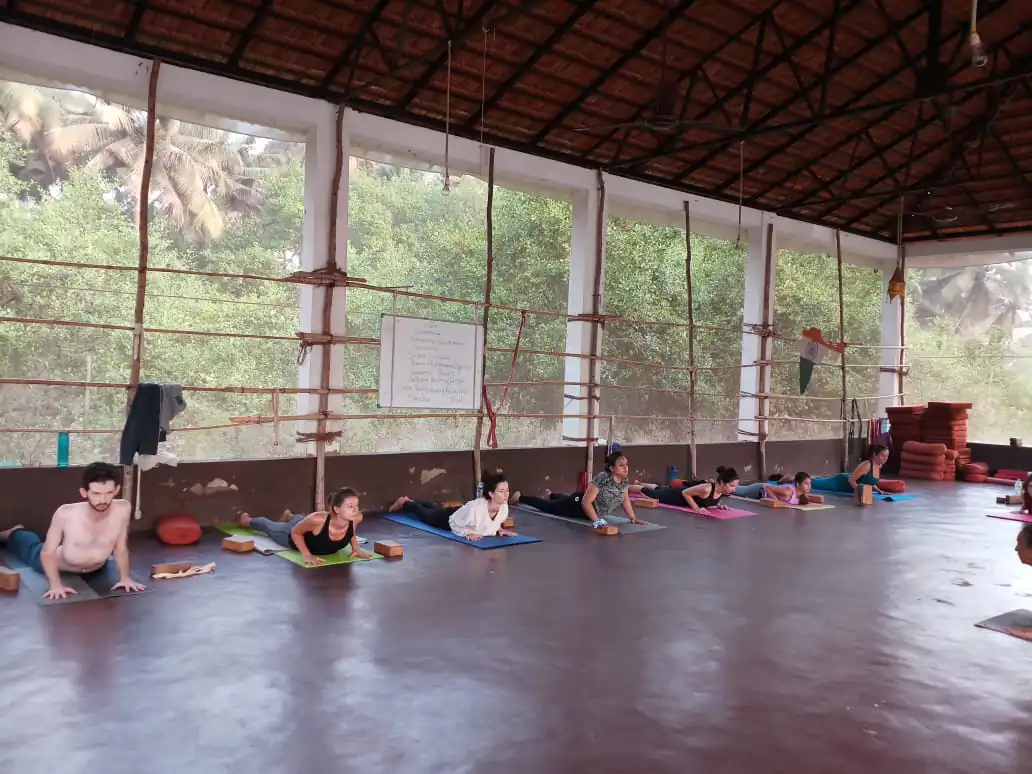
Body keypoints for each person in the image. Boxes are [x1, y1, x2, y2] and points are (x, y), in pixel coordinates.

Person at [0, 461, 146, 601]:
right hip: (57, 563)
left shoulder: (123, 508)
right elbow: (48, 552)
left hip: (97, 569)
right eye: (96, 493)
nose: (103, 499)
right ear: (84, 492)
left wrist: (125, 578)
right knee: (30, 545)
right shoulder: (66, 513)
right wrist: (55, 586)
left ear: (116, 490)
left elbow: (120, 546)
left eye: (108, 493)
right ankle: (13, 533)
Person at [237, 487, 373, 566]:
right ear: (336, 509)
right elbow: (296, 532)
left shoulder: (356, 517)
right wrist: (307, 555)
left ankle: (289, 516)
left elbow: (352, 532)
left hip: (305, 523)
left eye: (357, 506)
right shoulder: (318, 519)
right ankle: (247, 520)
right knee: (269, 526)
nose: (356, 510)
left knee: (301, 520)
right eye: (350, 506)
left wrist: (356, 548)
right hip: (290, 535)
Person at [510, 451, 648, 529]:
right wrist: (597, 522)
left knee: (562, 501)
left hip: (580, 503)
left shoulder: (624, 480)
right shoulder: (603, 478)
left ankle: (551, 494)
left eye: (626, 465)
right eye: (621, 465)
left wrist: (633, 518)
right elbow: (586, 502)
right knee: (549, 507)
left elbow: (625, 500)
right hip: (578, 506)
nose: (625, 468)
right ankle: (520, 498)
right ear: (612, 468)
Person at [388, 471, 516, 542]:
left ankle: (411, 500)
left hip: (460, 513)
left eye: (507, 490)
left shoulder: (504, 508)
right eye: (501, 491)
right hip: (450, 518)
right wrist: (468, 533)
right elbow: (454, 523)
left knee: (434, 509)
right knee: (427, 515)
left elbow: (490, 522)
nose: (506, 495)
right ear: (491, 494)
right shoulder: (475, 508)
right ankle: (404, 503)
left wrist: (498, 529)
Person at [629, 467, 740, 514]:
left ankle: (639, 482)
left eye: (735, 486)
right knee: (651, 493)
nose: (733, 489)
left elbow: (709, 500)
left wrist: (718, 505)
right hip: (675, 496)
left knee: (660, 488)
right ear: (721, 483)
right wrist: (696, 509)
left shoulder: (720, 491)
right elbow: (685, 493)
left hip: (674, 491)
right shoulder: (706, 489)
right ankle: (625, 487)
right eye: (731, 486)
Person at [811, 444, 890, 494]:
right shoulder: (866, 465)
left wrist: (879, 491)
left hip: (849, 482)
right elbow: (851, 481)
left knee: (819, 479)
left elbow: (870, 481)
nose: (885, 458)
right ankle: (802, 478)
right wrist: (861, 492)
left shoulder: (879, 465)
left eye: (887, 456)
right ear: (874, 454)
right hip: (841, 483)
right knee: (814, 483)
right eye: (882, 456)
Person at [734, 472, 813, 504]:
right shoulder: (788, 492)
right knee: (734, 490)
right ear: (798, 484)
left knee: (736, 488)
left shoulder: (802, 496)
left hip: (761, 493)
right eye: (806, 484)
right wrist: (776, 501)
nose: (809, 486)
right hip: (759, 489)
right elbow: (767, 487)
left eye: (810, 483)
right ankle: (725, 483)